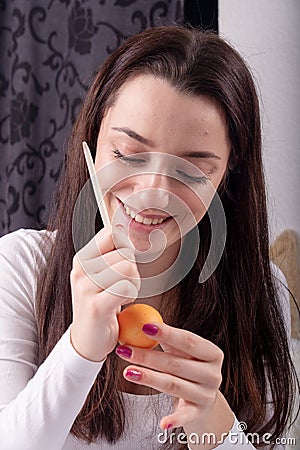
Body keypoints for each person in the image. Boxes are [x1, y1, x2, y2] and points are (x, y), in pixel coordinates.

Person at [0, 26, 298, 450]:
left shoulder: (261, 290)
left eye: (193, 170)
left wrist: (218, 428)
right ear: (92, 142)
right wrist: (79, 350)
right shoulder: (20, 268)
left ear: (228, 177)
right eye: (127, 154)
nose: (153, 193)